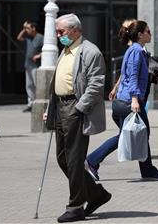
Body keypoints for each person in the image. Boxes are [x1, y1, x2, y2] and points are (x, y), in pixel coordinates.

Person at [45, 13, 111, 223]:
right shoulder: (66, 50)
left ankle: (75, 206)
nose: (58, 35)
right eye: (57, 32)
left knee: (74, 159)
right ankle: (96, 194)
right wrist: (51, 107)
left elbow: (96, 84)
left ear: (74, 30)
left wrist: (79, 108)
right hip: (60, 106)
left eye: (61, 31)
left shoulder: (90, 51)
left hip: (75, 106)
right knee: (63, 158)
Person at [85, 20, 158, 181]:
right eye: (148, 31)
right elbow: (132, 77)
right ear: (140, 35)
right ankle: (91, 161)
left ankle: (147, 169)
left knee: (139, 134)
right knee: (128, 135)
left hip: (126, 100)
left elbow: (127, 74)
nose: (150, 34)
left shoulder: (137, 50)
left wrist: (117, 89)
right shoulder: (136, 51)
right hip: (130, 102)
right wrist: (135, 99)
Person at [16, 20, 43, 112]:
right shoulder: (28, 38)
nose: (26, 30)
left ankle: (37, 103)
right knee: (29, 85)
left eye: (28, 28)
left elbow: (48, 49)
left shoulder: (40, 38)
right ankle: (31, 103)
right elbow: (19, 38)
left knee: (36, 85)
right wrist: (24, 28)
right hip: (28, 65)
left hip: (36, 65)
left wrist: (39, 55)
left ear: (33, 28)